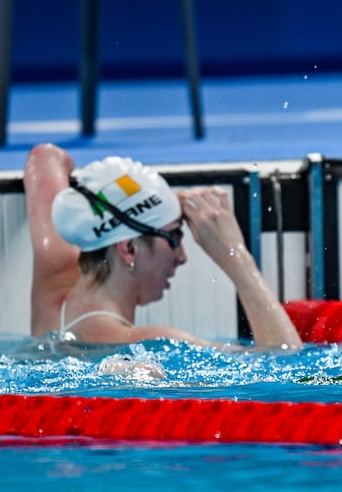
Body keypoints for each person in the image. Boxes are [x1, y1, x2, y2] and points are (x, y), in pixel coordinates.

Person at [24, 143, 302, 349]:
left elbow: (44, 157)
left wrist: (111, 195)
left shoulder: (52, 291)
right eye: (174, 237)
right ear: (128, 249)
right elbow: (285, 361)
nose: (181, 257)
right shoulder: (154, 346)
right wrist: (236, 257)